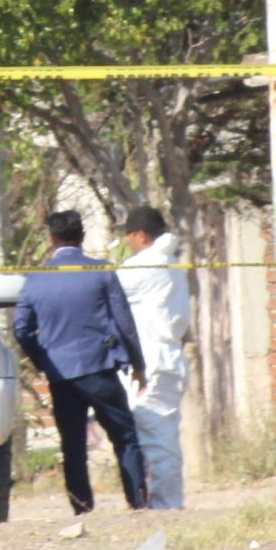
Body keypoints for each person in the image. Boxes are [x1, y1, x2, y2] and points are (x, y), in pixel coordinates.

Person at [11, 209, 149, 515]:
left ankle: (82, 510)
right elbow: (124, 322)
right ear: (82, 237)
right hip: (99, 368)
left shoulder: (35, 278)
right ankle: (138, 503)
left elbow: (20, 329)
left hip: (60, 375)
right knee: (124, 436)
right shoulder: (101, 271)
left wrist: (44, 360)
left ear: (51, 240)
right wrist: (138, 365)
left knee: (72, 447)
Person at [115, 204, 192, 510]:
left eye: (128, 237)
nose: (127, 243)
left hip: (152, 359)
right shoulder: (171, 263)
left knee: (156, 437)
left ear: (140, 235)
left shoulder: (147, 266)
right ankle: (165, 502)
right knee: (162, 435)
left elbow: (108, 288)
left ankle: (166, 506)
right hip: (168, 354)